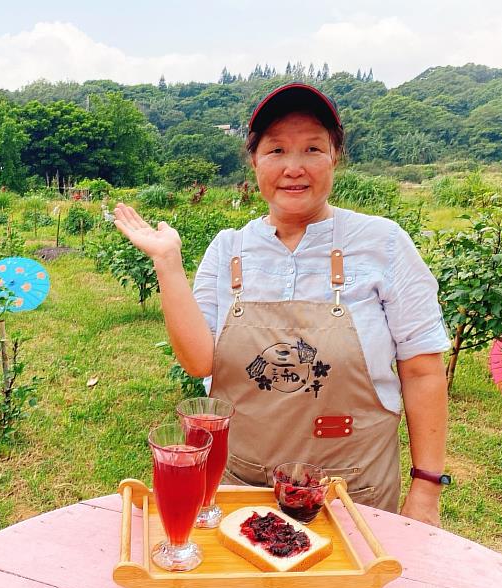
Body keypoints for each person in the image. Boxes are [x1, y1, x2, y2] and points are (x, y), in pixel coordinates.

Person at [114, 83, 451, 527]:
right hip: (239, 489)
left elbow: (423, 369)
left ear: (335, 158)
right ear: (254, 161)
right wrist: (168, 265)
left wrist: (426, 486)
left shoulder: (383, 243)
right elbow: (198, 362)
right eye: (276, 150)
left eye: (313, 148)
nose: (294, 167)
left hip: (352, 491)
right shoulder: (228, 249)